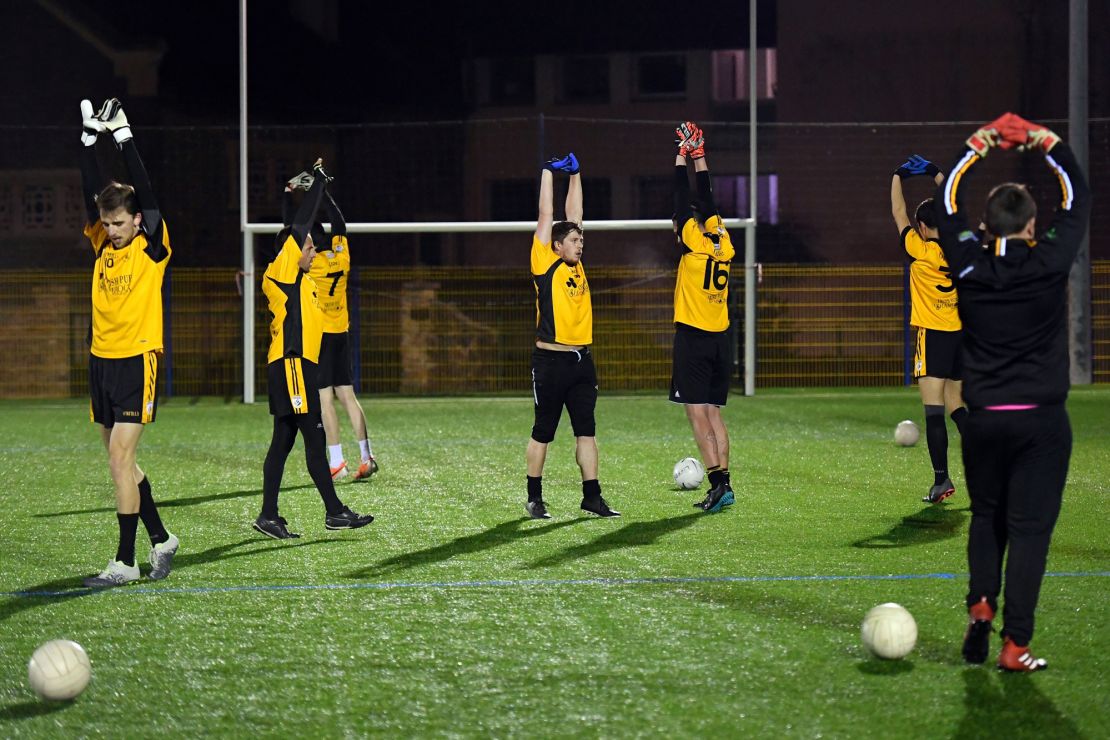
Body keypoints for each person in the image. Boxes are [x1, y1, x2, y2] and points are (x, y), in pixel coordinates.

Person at [934, 113, 1090, 671]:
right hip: (1042, 423)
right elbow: (1078, 197)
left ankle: (980, 606)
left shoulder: (969, 264)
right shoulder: (1049, 262)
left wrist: (975, 146)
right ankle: (1015, 643)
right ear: (1030, 227)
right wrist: (1047, 143)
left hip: (984, 419)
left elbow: (947, 198)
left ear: (986, 224)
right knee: (1029, 534)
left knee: (986, 518)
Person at [77, 98, 179, 587]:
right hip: (101, 363)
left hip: (138, 360)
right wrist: (87, 142)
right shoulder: (102, 243)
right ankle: (161, 538)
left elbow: (152, 195)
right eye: (109, 223)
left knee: (120, 460)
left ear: (138, 221)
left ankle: (126, 560)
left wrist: (123, 137)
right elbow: (88, 195)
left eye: (120, 222)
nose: (112, 230)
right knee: (122, 462)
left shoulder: (152, 247)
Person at [254, 159, 375, 539]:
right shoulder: (281, 270)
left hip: (297, 364)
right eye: (306, 246)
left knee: (286, 441)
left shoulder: (303, 278)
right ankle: (333, 511)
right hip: (292, 365)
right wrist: (317, 185)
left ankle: (271, 515)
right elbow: (302, 226)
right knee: (313, 436)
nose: (311, 249)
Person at [524, 152, 620, 519]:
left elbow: (575, 215)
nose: (580, 244)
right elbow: (548, 217)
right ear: (557, 245)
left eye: (581, 240)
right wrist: (548, 172)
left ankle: (591, 497)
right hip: (550, 363)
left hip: (582, 362)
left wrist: (577, 174)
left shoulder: (577, 265)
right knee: (543, 432)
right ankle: (535, 497)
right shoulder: (545, 261)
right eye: (574, 240)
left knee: (587, 432)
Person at [282, 173, 379, 482]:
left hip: (320, 336)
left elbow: (291, 229)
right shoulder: (341, 257)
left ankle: (337, 461)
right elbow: (339, 222)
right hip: (342, 332)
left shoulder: (313, 265)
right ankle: (367, 455)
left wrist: (289, 195)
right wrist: (321, 192)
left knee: (325, 399)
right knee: (348, 395)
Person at [890, 155, 968, 503]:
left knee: (934, 410)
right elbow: (958, 202)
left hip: (933, 336)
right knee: (958, 407)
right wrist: (938, 173)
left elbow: (898, 212)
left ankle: (941, 480)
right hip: (962, 337)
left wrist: (898, 175)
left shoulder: (919, 251)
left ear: (922, 227)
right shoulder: (960, 248)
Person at [670, 121, 736, 514]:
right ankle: (724, 484)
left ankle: (715, 484)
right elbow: (705, 198)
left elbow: (684, 199)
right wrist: (699, 156)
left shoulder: (693, 242)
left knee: (697, 415)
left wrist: (680, 156)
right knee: (714, 413)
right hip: (720, 339)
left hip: (694, 337)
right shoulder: (722, 238)